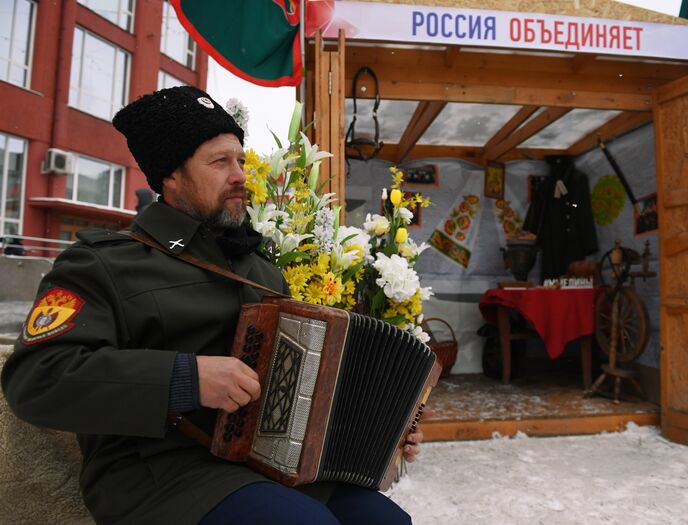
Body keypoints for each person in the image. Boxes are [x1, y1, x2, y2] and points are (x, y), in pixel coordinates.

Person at [1, 86, 421, 524]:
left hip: (262, 465)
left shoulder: (260, 270)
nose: (240, 174)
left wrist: (382, 430)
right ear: (171, 175)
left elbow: (305, 382)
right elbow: (36, 380)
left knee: (387, 521)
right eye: (220, 162)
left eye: (240, 160)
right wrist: (185, 378)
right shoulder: (102, 262)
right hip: (159, 470)